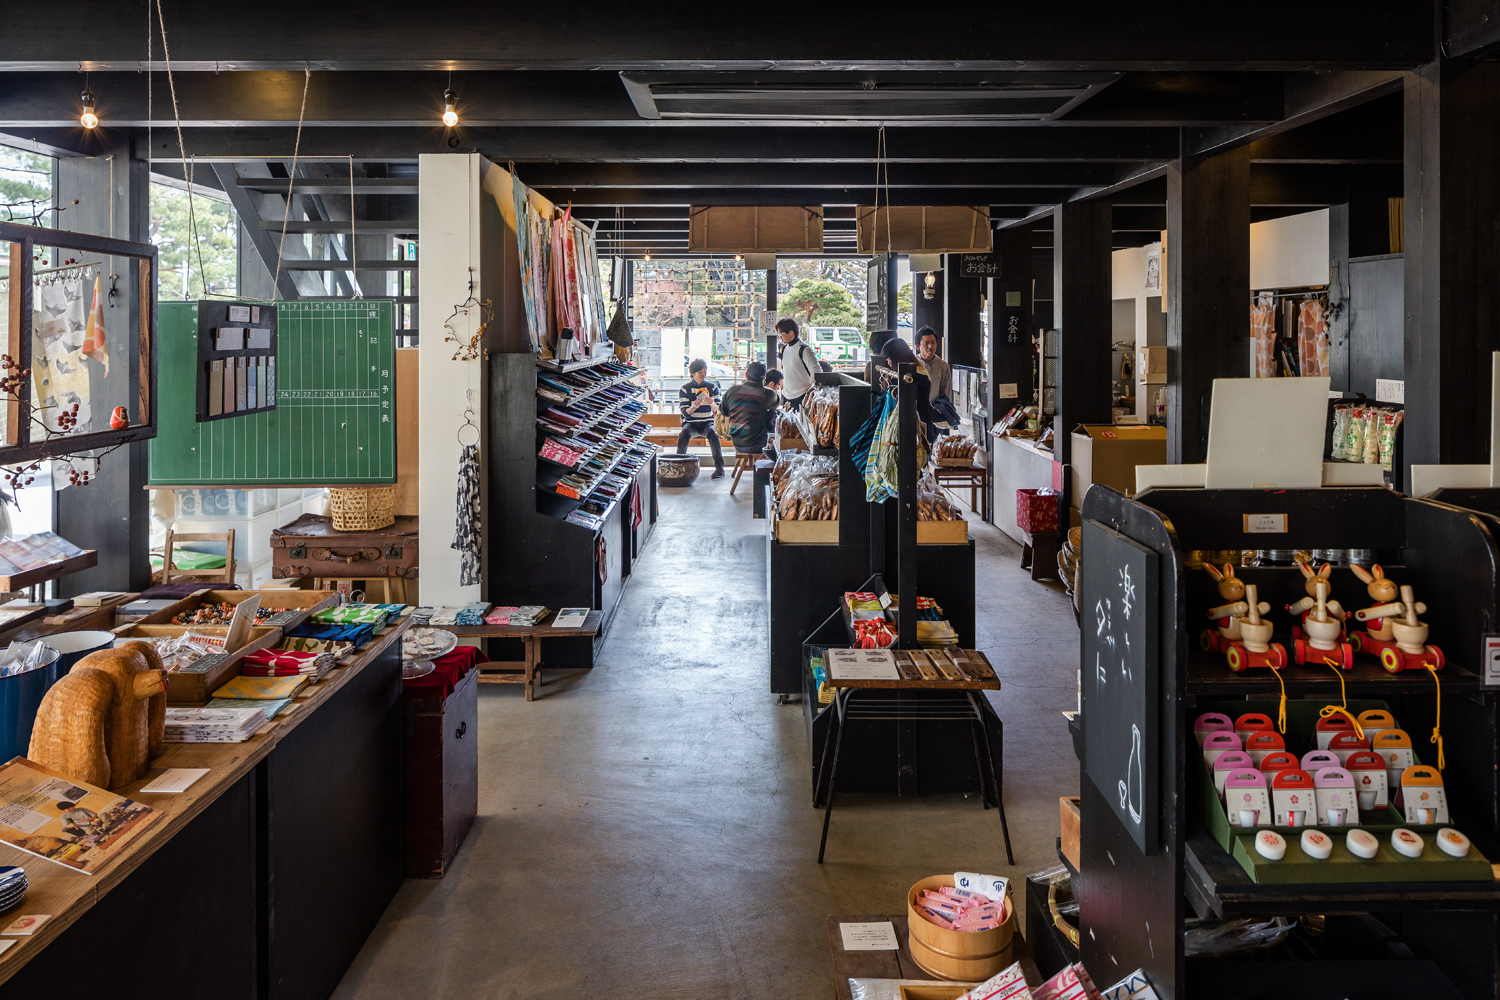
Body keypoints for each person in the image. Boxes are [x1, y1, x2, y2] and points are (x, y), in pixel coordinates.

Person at [719, 361, 781, 462]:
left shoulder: (732, 391)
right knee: (775, 415)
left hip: (737, 442)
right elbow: (776, 404)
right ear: (764, 377)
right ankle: (775, 469)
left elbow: (723, 411)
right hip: (758, 444)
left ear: (746, 374)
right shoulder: (768, 394)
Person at [676, 358, 724, 478]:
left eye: (705, 371)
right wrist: (693, 408)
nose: (703, 374)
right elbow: (684, 412)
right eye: (700, 372)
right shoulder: (685, 389)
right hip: (691, 423)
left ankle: (720, 468)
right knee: (683, 434)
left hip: (707, 422)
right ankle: (678, 466)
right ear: (693, 373)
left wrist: (712, 403)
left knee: (713, 434)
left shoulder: (712, 388)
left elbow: (718, 411)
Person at [775, 318, 821, 411]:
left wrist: (810, 394)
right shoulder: (785, 349)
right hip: (786, 397)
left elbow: (817, 372)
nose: (780, 336)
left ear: (791, 332)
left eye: (781, 333)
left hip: (802, 397)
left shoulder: (804, 350)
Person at [916, 328, 952, 404]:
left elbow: (945, 394)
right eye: (926, 343)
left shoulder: (943, 366)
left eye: (933, 342)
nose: (930, 346)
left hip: (935, 411)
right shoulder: (912, 364)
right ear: (918, 346)